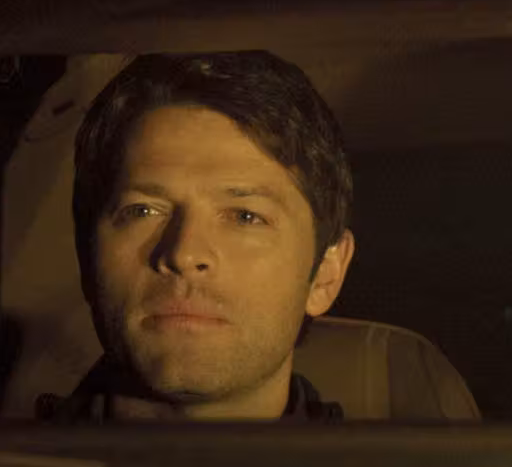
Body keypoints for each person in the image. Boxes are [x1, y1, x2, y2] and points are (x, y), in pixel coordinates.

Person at [37, 51, 355, 421]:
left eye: (245, 217)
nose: (184, 254)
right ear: (85, 253)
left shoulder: (390, 463)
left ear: (326, 274)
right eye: (142, 211)